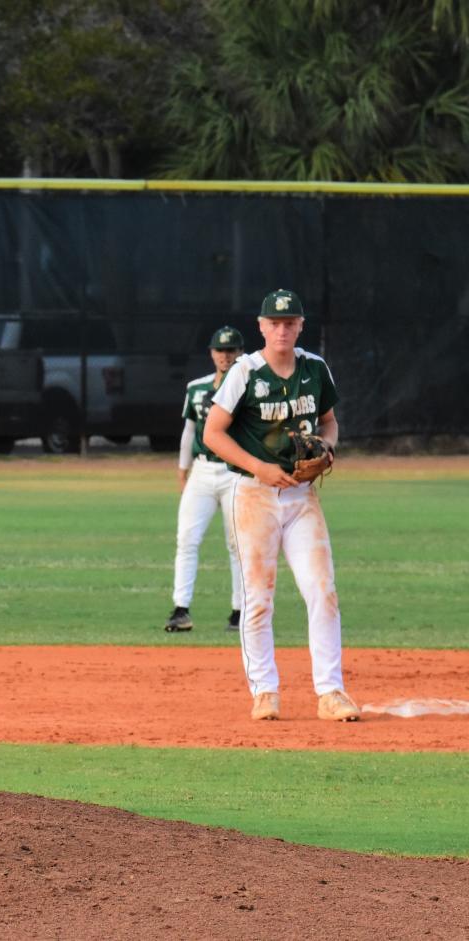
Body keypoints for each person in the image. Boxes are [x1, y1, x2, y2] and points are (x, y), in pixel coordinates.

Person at [202, 289, 360, 723]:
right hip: (253, 494)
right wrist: (260, 467)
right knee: (258, 599)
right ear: (261, 326)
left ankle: (330, 692)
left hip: (301, 496)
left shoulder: (314, 368)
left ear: (301, 326)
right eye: (275, 322)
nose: (282, 329)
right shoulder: (245, 372)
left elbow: (328, 422)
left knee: (322, 592)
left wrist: (326, 450)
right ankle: (265, 692)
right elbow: (213, 433)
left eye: (290, 322)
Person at [163, 326, 245, 634]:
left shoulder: (249, 387)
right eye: (221, 350)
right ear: (212, 353)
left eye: (232, 350)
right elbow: (188, 431)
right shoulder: (196, 388)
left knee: (238, 544)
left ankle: (240, 611)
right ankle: (180, 609)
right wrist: (182, 471)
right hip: (202, 470)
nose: (226, 355)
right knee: (186, 538)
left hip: (235, 473)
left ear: (241, 353)